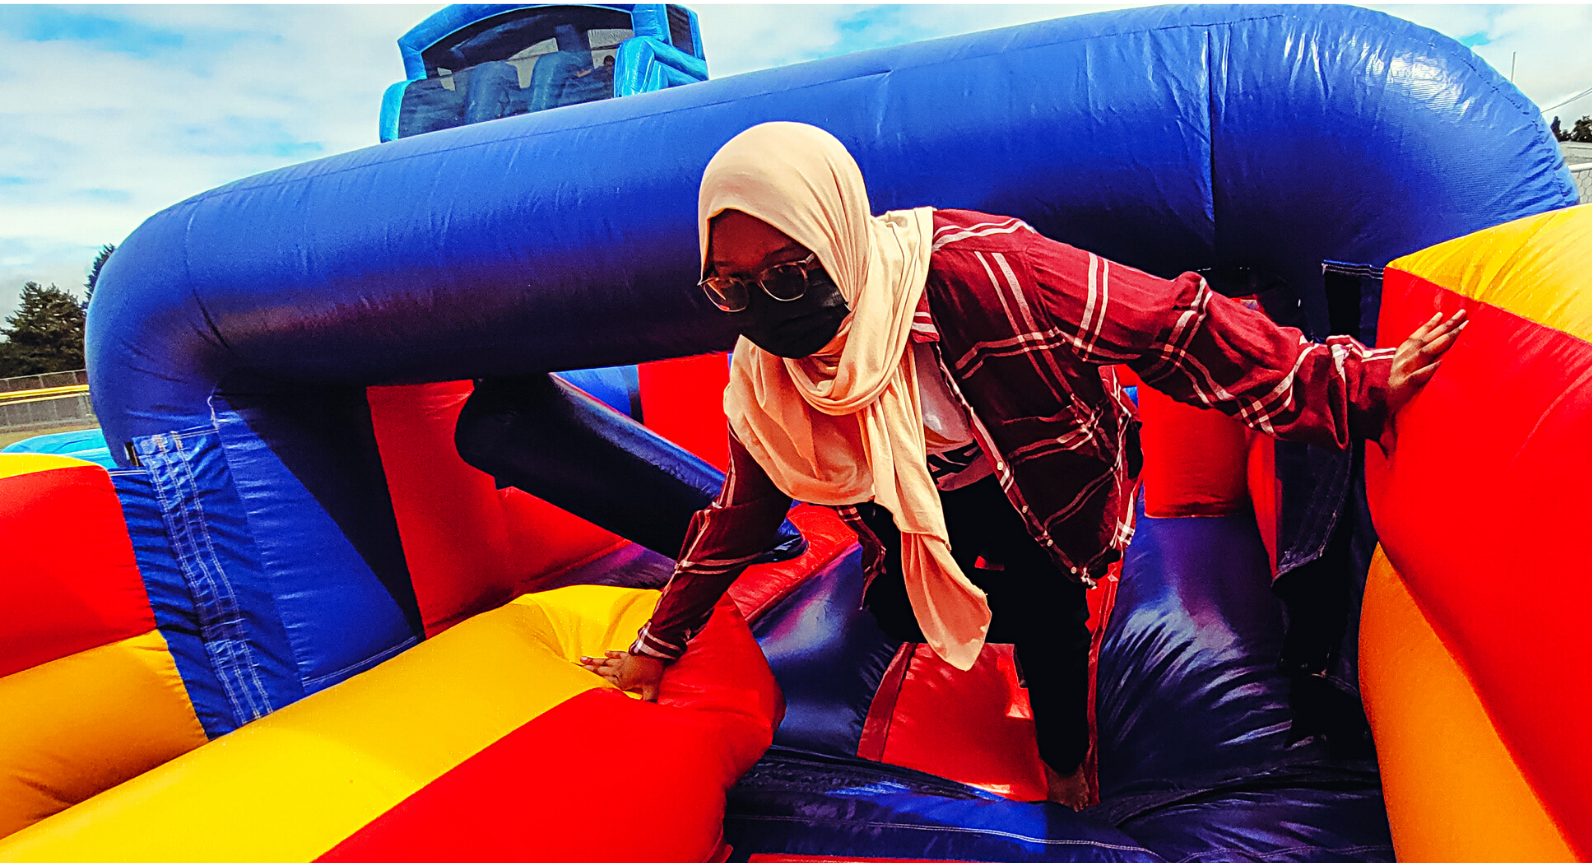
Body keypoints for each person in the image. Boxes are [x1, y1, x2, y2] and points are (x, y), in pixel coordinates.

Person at [580, 122, 1465, 809]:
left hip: (1035, 476)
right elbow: (737, 512)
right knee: (902, 609)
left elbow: (1172, 324)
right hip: (910, 499)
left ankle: (1067, 766)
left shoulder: (992, 273)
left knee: (1048, 616)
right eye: (729, 285)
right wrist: (658, 647)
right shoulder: (768, 379)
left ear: (839, 235)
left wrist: (1346, 382)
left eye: (788, 273)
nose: (764, 306)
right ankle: (975, 612)